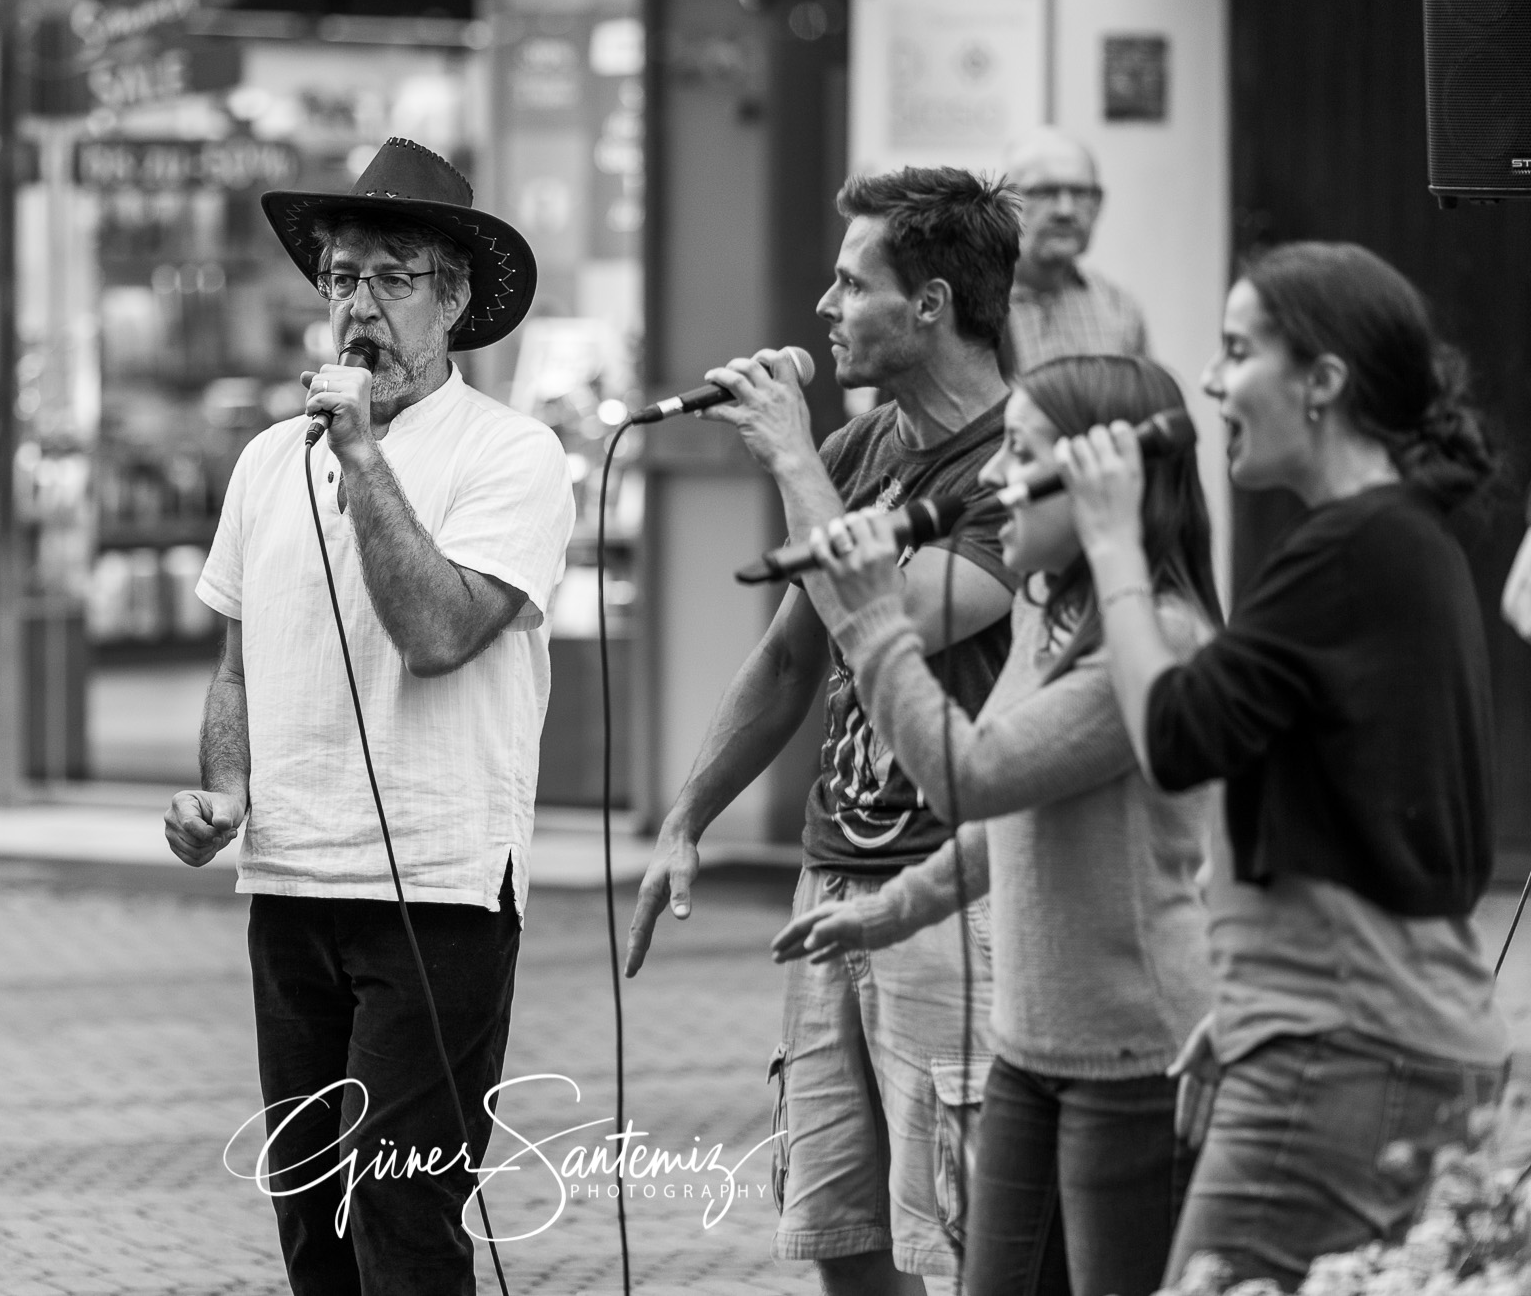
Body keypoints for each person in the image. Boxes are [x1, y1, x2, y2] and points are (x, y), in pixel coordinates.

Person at [165, 137, 572, 1295]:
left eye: (392, 278)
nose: (358, 306)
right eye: (341, 277)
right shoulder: (265, 462)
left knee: (401, 1210)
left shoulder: (512, 455)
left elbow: (438, 633)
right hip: (290, 881)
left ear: (452, 301)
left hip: (437, 890)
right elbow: (238, 666)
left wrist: (362, 456)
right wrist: (223, 792)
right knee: (310, 1218)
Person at [1059, 242, 1508, 1289]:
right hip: (1367, 1034)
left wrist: (1114, 547)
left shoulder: (1352, 549)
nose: (1209, 380)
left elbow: (1173, 738)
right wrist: (1255, 1007)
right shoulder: (1394, 543)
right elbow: (1368, 828)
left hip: (1346, 1048)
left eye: (1235, 350)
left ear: (1321, 381)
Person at [626, 166, 1022, 1296]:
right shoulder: (864, 449)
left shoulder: (1014, 465)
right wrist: (684, 819)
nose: (823, 306)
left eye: (851, 284)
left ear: (931, 304)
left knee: (954, 1242)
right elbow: (792, 658)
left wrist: (796, 460)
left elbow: (892, 616)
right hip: (831, 880)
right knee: (841, 1241)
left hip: (952, 893)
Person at [774, 355, 1223, 1296]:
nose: (990, 475)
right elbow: (1014, 813)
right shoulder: (1050, 608)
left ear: (1101, 478)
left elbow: (971, 777)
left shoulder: (1160, 640)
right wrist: (893, 909)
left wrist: (873, 621)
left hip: (1131, 1058)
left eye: (1020, 451)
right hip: (1028, 1047)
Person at [1002, 130, 1147, 375]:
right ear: (1006, 202)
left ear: (1098, 205)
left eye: (1080, 193)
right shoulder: (968, 304)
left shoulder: (1120, 309)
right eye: (1045, 192)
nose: (1065, 210)